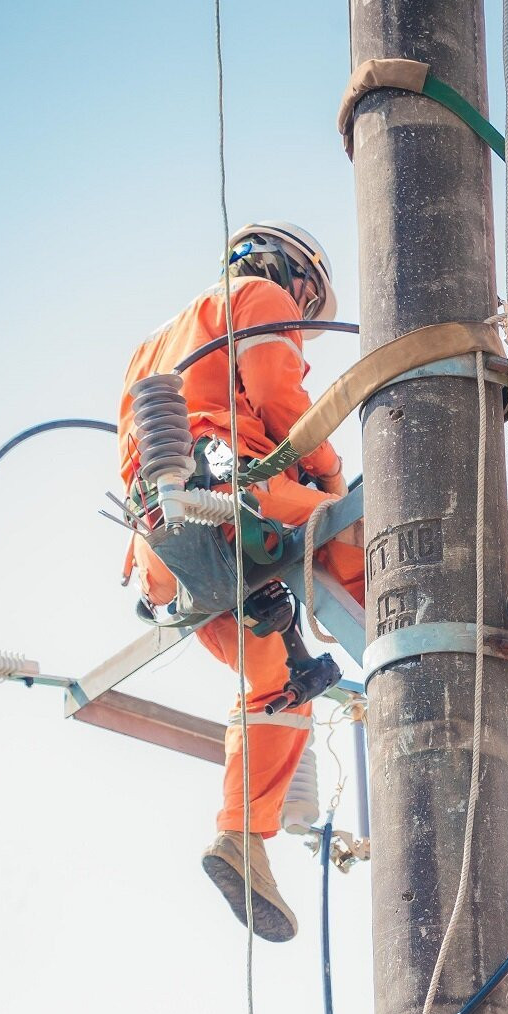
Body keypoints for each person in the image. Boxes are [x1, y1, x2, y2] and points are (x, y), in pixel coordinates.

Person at [118, 222, 364, 942]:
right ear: (291, 271)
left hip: (168, 543)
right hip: (229, 498)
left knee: (277, 681)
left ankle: (243, 838)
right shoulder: (252, 295)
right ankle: (432, 654)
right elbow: (280, 395)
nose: (300, 318)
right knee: (368, 539)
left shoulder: (152, 342)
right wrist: (327, 473)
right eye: (307, 301)